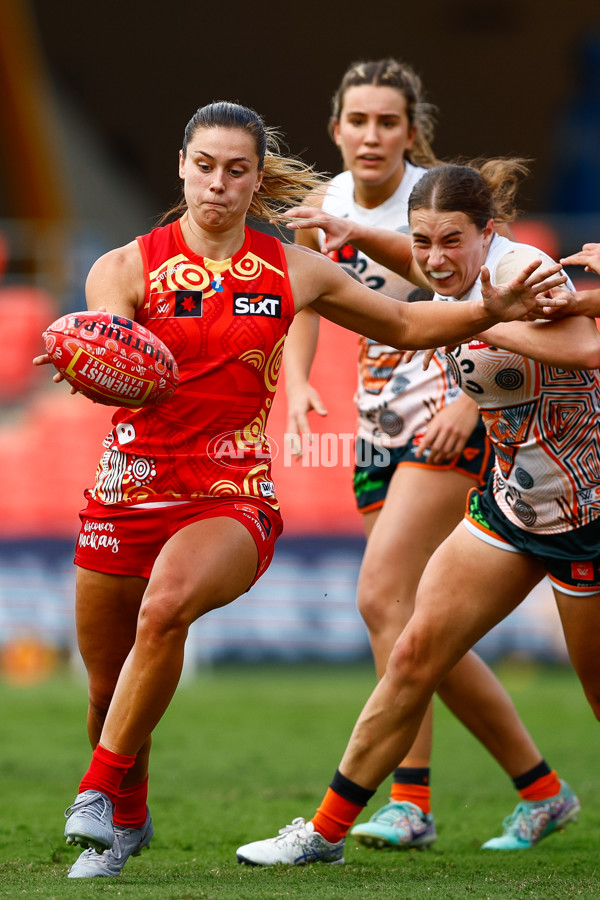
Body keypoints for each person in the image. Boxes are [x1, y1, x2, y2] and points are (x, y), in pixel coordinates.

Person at [32, 104, 559, 879]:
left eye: (236, 169)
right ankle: (127, 821)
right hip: (126, 491)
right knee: (109, 685)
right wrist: (93, 362)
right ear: (181, 165)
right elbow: (119, 357)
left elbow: (406, 327)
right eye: (205, 165)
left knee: (167, 602)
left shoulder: (294, 268)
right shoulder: (123, 266)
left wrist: (489, 308)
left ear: (255, 178)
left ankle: (95, 794)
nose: (219, 183)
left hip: (230, 494)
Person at [236, 159, 600, 867]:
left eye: (451, 241)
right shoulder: (453, 278)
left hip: (586, 515)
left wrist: (488, 323)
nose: (434, 258)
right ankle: (324, 832)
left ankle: (541, 790)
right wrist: (354, 232)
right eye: (422, 240)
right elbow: (417, 268)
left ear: (487, 235)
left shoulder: (525, 274)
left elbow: (589, 346)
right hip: (510, 507)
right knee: (411, 655)